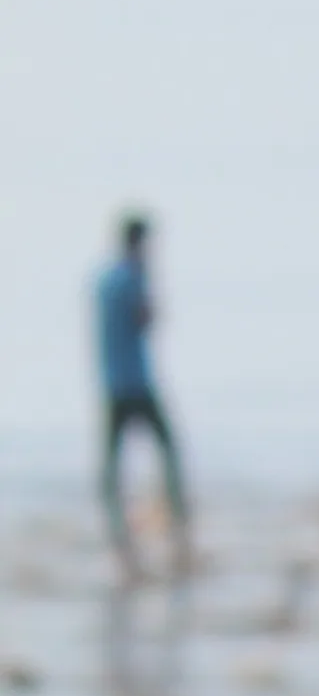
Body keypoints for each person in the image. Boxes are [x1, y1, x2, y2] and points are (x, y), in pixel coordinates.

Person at [93, 214, 190, 575]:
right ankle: (178, 518)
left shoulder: (103, 278)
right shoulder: (132, 277)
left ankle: (117, 531)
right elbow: (146, 319)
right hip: (136, 382)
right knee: (168, 449)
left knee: (113, 463)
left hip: (111, 382)